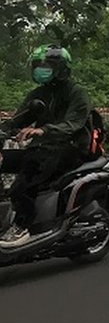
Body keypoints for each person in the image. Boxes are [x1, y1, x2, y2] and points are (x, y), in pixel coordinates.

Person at [0, 45, 93, 247]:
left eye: (46, 66)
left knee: (23, 183)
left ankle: (22, 226)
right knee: (6, 159)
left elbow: (72, 124)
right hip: (42, 150)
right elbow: (18, 119)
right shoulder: (38, 94)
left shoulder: (77, 93)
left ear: (61, 68)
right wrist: (3, 129)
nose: (40, 69)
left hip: (69, 148)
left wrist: (43, 130)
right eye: (37, 66)